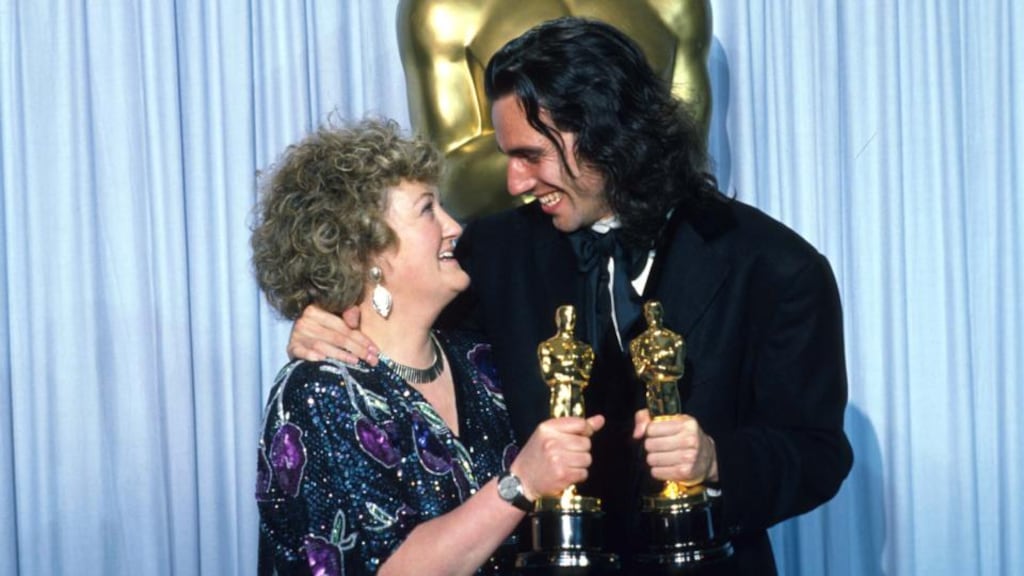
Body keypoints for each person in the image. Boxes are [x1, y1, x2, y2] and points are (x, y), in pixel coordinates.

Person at [289, 18, 853, 575]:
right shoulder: (496, 251)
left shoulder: (777, 267)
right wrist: (322, 319)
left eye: (531, 155)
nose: (514, 182)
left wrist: (717, 461)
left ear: (604, 133)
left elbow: (819, 453)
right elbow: (399, 309)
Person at [250, 118, 604, 575]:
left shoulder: (481, 363)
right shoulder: (317, 391)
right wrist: (520, 483)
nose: (454, 227)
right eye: (427, 210)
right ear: (363, 250)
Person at [396, 0, 713, 220]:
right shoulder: (443, 11)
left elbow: (686, 152)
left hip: (657, 250)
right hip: (523, 256)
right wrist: (590, 147)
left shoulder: (675, 6)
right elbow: (451, 180)